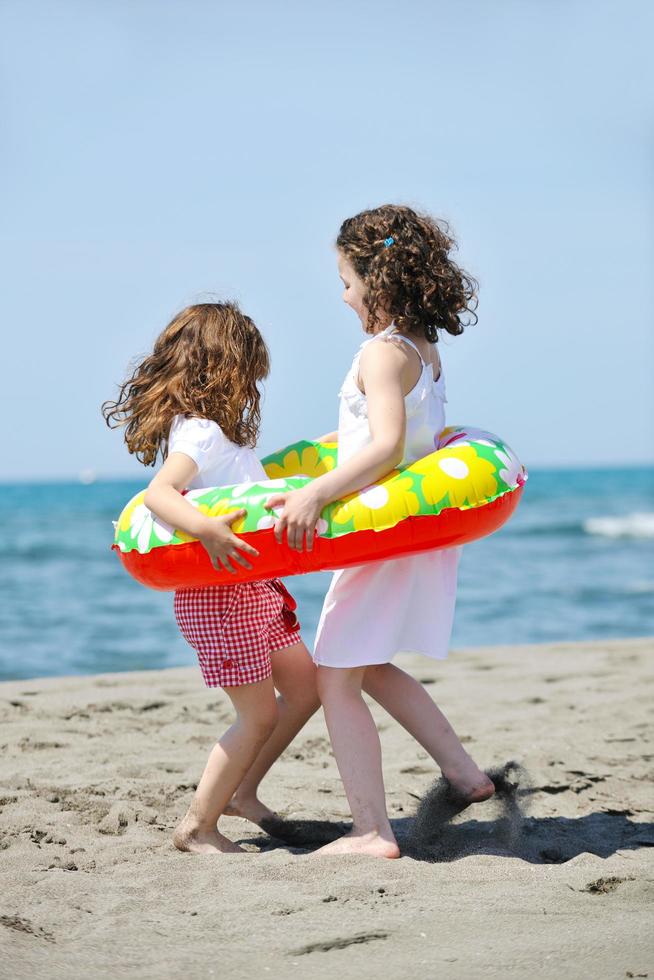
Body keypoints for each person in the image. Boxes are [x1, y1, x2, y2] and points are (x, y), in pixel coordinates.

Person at [267, 205, 495, 858]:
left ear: (379, 280)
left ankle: (371, 831)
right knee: (364, 666)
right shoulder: (423, 349)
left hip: (381, 538)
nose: (342, 295)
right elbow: (391, 437)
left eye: (345, 280)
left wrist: (316, 490)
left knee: (337, 673)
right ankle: (464, 774)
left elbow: (390, 447)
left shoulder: (381, 352)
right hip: (410, 538)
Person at [103, 302, 321, 854]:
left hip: (257, 590)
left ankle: (243, 793)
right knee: (258, 713)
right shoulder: (199, 432)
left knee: (306, 688)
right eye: (249, 376)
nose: (252, 389)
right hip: (221, 595)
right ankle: (198, 827)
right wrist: (206, 530)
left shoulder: (221, 436)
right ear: (225, 369)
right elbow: (158, 493)